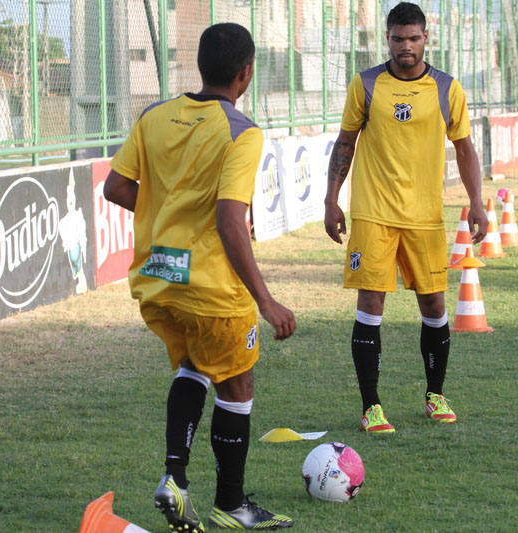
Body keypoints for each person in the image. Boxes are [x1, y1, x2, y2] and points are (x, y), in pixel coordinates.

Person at [104, 23, 295, 531]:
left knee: (192, 365)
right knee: (237, 386)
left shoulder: (154, 116)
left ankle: (174, 480)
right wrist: (267, 301)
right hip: (212, 289)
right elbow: (231, 220)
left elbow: (116, 186)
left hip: (159, 280)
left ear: (201, 65)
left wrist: (169, 215)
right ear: (246, 72)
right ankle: (231, 505)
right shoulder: (241, 131)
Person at [324, 2, 488, 434]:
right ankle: (371, 406)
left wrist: (478, 201)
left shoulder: (447, 88)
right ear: (387, 38)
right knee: (370, 303)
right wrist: (330, 198)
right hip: (373, 214)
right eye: (398, 39)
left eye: (413, 38)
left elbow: (466, 149)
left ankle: (435, 395)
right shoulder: (366, 85)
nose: (406, 47)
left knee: (434, 305)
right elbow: (345, 143)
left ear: (426, 38)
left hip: (425, 218)